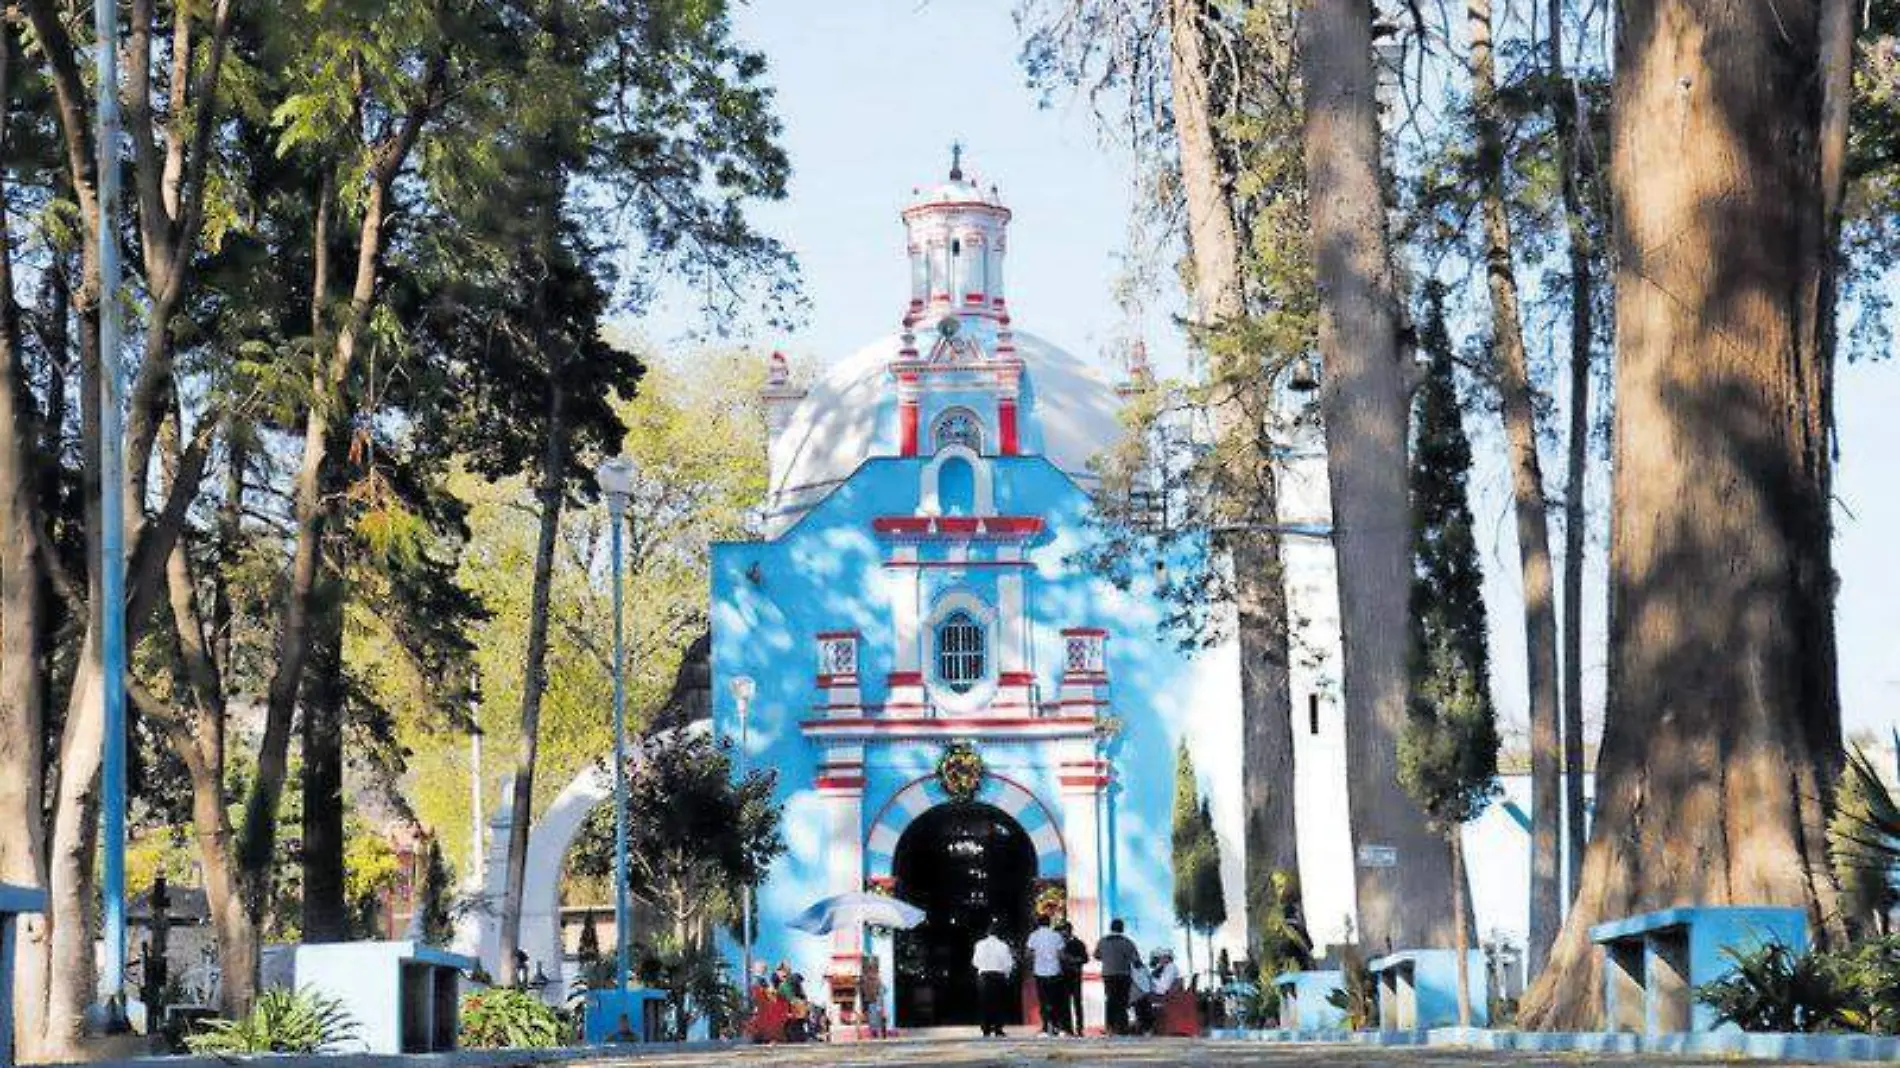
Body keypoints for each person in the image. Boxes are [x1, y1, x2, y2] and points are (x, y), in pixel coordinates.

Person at [1094, 918, 1142, 1035]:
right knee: (1122, 1001)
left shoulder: (1103, 941)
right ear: (1122, 928)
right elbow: (1136, 961)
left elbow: (1097, 955)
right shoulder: (1127, 942)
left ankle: (1109, 1027)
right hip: (1123, 975)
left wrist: (1108, 958)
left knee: (1110, 1000)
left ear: (1111, 928)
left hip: (1108, 975)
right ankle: (1122, 1027)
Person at [972, 918, 1016, 1038]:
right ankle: (998, 1028)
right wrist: (1006, 974)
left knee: (984, 1003)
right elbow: (1009, 963)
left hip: (984, 976)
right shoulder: (1003, 945)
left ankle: (986, 1028)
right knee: (999, 1003)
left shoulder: (979, 944)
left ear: (987, 933)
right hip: (998, 976)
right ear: (999, 934)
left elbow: (975, 962)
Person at [1025, 914, 1068, 1036]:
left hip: (1040, 972)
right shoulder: (1056, 936)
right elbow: (1061, 955)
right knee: (1055, 1000)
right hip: (1054, 971)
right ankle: (1055, 1026)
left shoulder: (1033, 936)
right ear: (1049, 923)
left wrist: (1037, 957)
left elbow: (1028, 953)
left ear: (1038, 923)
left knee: (1043, 1001)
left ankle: (1044, 1026)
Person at [1058, 922, 1088, 1035]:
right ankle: (1068, 1028)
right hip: (1063, 977)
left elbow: (1085, 958)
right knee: (1065, 1004)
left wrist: (1073, 960)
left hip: (1075, 976)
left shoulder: (1078, 943)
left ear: (1069, 930)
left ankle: (1080, 1028)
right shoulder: (1059, 944)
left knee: (1077, 1003)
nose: (1063, 933)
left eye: (1064, 930)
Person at [859, 955, 887, 1039]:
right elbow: (883, 990)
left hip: (872, 1000)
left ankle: (875, 1031)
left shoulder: (866, 978)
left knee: (874, 1015)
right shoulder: (875, 978)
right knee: (876, 1015)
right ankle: (877, 1031)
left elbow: (863, 989)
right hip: (875, 999)